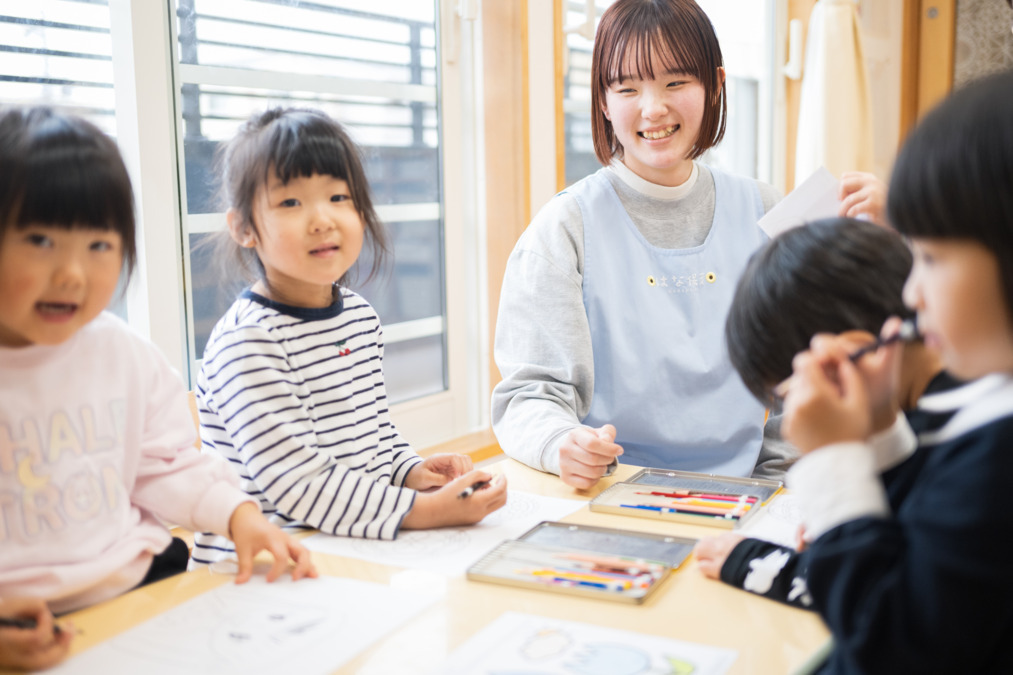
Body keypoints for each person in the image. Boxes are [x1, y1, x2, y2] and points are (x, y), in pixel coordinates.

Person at [0, 106, 316, 671]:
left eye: (99, 245)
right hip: (21, 616)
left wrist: (238, 513)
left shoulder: (122, 352)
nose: (73, 273)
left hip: (141, 578)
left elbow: (167, 464)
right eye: (41, 240)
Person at [493, 0, 793, 489]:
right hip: (609, 491)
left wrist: (774, 485)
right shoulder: (565, 228)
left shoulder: (765, 210)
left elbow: (809, 376)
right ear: (604, 102)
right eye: (628, 87)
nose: (653, 108)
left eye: (676, 83)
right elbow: (530, 394)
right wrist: (560, 444)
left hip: (750, 493)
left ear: (715, 84)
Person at [191, 108, 507, 567]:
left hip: (346, 546)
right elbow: (299, 484)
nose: (322, 220)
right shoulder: (248, 343)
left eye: (339, 197)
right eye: (291, 203)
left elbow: (370, 431)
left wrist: (410, 471)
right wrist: (426, 511)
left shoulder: (357, 317)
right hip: (261, 568)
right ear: (243, 228)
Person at [777, 70, 1013, 672]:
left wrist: (834, 459)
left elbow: (888, 648)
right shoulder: (988, 410)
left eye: (929, 258)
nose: (911, 292)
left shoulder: (999, 454)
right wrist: (879, 432)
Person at [692, 217, 950, 608]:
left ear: (848, 356)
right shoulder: (934, 411)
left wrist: (834, 471)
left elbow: (889, 623)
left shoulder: (972, 449)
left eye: (791, 393)